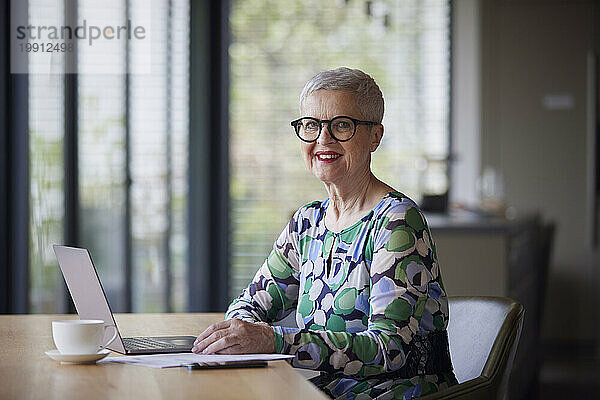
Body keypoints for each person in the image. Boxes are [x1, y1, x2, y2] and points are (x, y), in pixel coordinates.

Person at [193, 67, 457, 399]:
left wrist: (275, 340)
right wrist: (237, 333)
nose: (323, 139)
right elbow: (250, 305)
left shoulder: (397, 222)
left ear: (375, 136)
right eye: (311, 125)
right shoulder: (307, 223)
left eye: (341, 125)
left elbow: (390, 350)